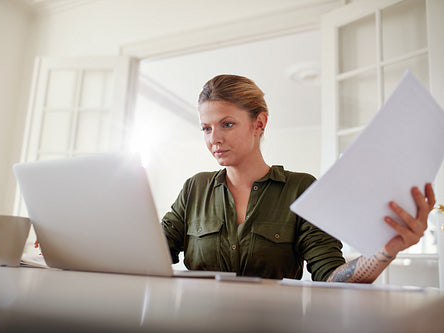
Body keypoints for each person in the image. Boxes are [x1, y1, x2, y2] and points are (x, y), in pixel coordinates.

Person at [161, 74, 436, 282]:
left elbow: (331, 276)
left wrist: (386, 250)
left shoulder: (299, 188)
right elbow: (154, 251)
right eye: (206, 128)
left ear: (259, 123)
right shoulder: (194, 188)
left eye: (227, 124)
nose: (214, 139)